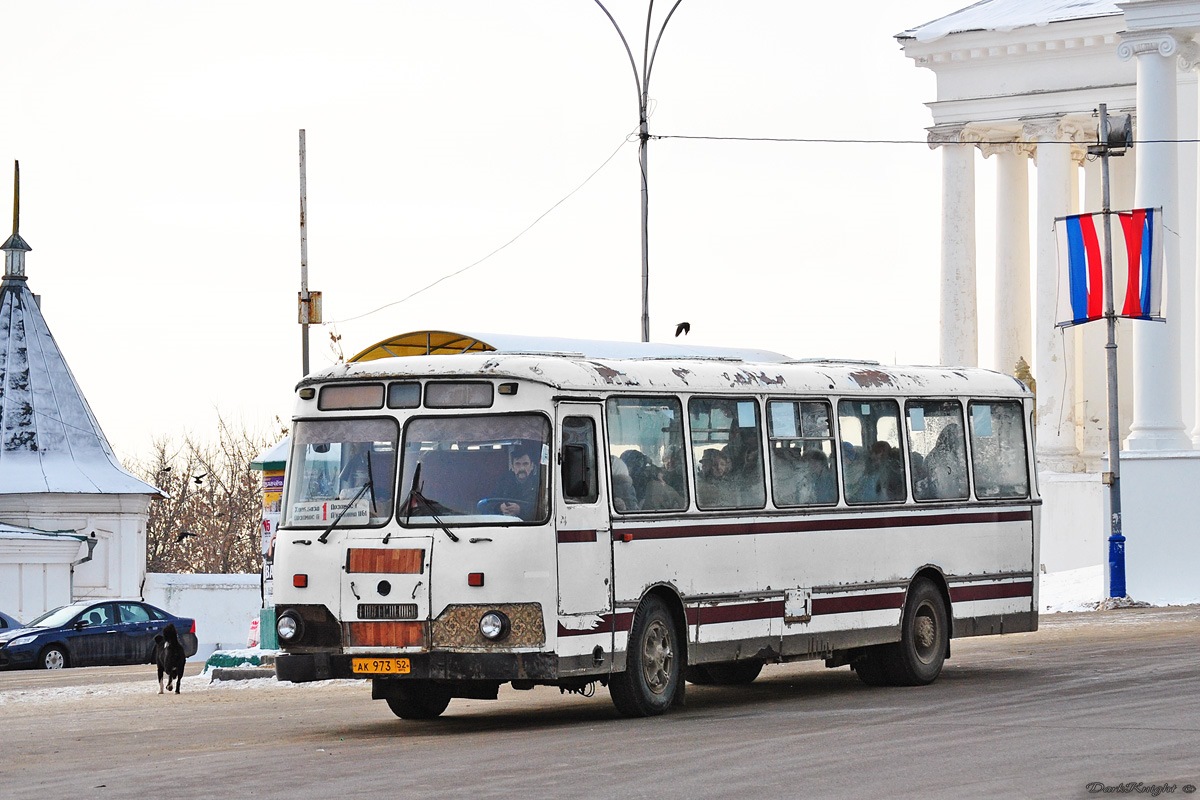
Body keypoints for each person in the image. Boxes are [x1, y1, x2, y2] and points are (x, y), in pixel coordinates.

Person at [491, 443, 542, 520]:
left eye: (525, 464)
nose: (521, 468)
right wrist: (500, 507)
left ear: (532, 466)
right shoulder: (503, 482)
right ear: (512, 466)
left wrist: (520, 510)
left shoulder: (539, 484)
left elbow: (543, 510)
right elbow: (490, 503)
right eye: (517, 464)